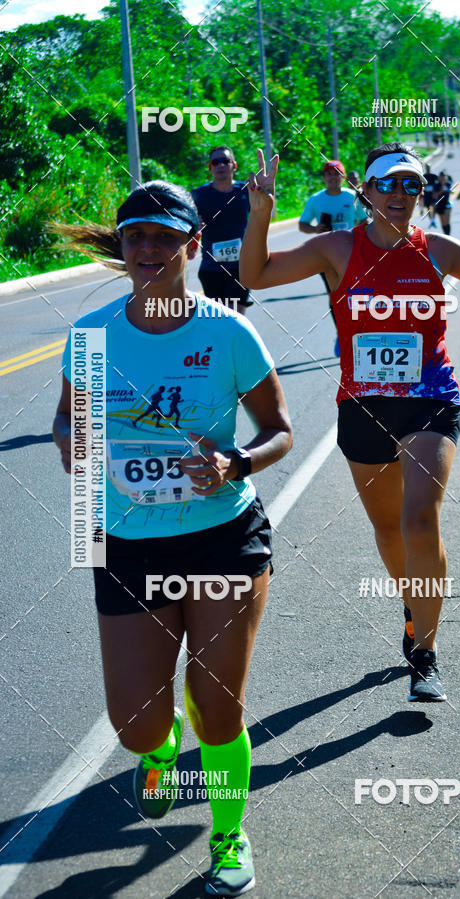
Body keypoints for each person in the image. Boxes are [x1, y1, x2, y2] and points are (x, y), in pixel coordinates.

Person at [53, 180, 293, 896]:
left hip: (223, 537)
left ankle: (227, 835)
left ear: (194, 245)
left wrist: (234, 462)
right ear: (123, 247)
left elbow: (279, 430)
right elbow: (68, 418)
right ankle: (158, 752)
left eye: (165, 237)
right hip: (128, 544)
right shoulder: (92, 335)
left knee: (217, 707)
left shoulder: (228, 332)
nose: (149, 248)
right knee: (136, 724)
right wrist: (71, 440)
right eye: (136, 236)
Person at [240, 143, 460, 703]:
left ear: (421, 193)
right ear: (366, 191)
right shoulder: (337, 248)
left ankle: (425, 655)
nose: (400, 194)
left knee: (420, 520)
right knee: (388, 530)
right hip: (363, 406)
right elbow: (255, 275)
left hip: (430, 400)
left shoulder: (437, 250)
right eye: (387, 183)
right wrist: (260, 213)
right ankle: (413, 606)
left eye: (411, 184)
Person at [299, 160, 367, 357]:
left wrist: (358, 232)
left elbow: (364, 220)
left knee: (355, 295)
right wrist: (315, 229)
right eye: (329, 174)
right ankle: (342, 333)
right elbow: (303, 224)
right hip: (326, 256)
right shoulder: (316, 199)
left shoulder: (352, 196)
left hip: (351, 254)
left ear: (343, 177)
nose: (333, 177)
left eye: (337, 173)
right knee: (335, 295)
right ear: (324, 178)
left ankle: (357, 332)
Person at [191, 146, 253, 315]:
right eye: (215, 162)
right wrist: (194, 226)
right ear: (210, 167)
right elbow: (187, 226)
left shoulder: (246, 191)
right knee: (217, 318)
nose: (220, 165)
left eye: (225, 161)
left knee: (236, 316)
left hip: (241, 267)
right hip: (211, 268)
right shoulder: (198, 195)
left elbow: (262, 215)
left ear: (234, 165)